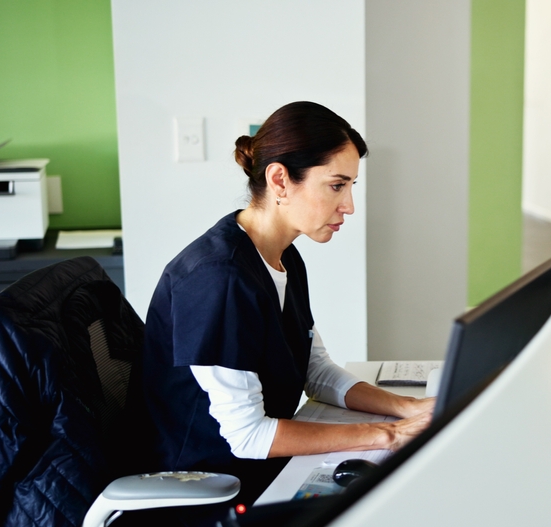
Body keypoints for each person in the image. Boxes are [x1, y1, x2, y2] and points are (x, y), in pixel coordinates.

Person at [140, 101, 434, 503]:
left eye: (351, 187)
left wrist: (408, 408)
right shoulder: (219, 278)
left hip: (260, 469)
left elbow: (316, 372)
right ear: (279, 180)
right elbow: (247, 436)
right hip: (209, 490)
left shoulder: (281, 254)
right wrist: (386, 434)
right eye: (336, 185)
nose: (348, 205)